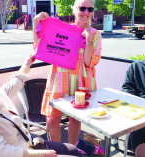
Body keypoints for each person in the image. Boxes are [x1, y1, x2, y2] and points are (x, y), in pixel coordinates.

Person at [0, 54, 79, 157]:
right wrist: (41, 154)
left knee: (73, 149)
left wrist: (26, 65)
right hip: (22, 154)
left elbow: (12, 86)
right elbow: (0, 153)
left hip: (29, 142)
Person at [32, 0, 102, 145]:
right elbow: (39, 47)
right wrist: (36, 22)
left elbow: (89, 63)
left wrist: (88, 40)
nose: (86, 12)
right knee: (51, 121)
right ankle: (57, 152)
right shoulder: (62, 30)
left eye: (90, 9)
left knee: (75, 120)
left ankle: (71, 150)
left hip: (81, 82)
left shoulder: (95, 34)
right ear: (75, 10)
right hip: (59, 80)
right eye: (82, 8)